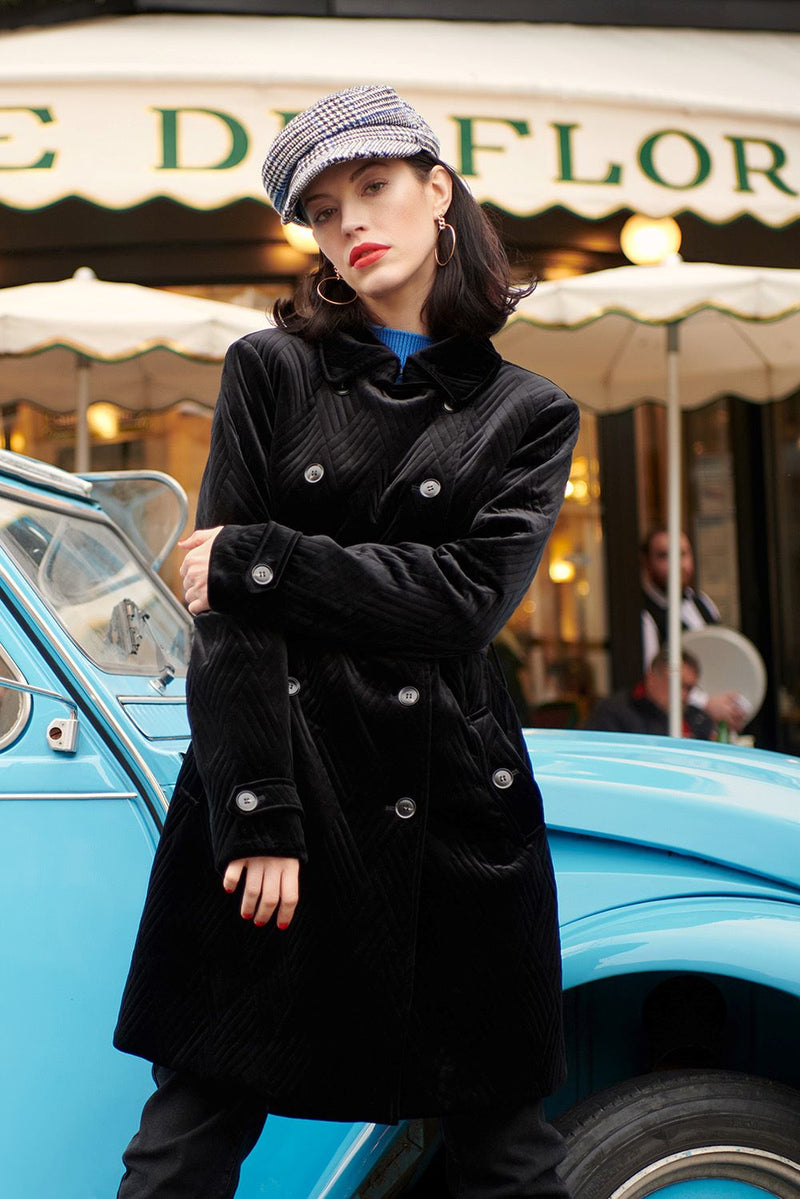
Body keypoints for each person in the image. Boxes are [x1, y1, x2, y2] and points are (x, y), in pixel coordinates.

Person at [113, 84, 580, 1199]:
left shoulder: (529, 410)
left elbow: (465, 602)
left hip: (451, 807)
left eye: (371, 187)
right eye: (322, 210)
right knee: (185, 1135)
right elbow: (228, 636)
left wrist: (258, 556)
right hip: (283, 776)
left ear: (437, 189)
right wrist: (258, 811)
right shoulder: (269, 370)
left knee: (504, 1153)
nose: (351, 223)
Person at [640, 528, 747, 733]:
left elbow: (723, 655)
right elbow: (653, 679)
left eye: (683, 554)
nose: (677, 564)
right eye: (664, 556)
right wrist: (706, 703)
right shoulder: (646, 615)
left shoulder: (702, 603)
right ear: (646, 562)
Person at [585, 647, 715, 739]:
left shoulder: (695, 717)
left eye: (689, 688)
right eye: (677, 685)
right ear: (652, 679)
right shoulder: (613, 712)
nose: (683, 695)